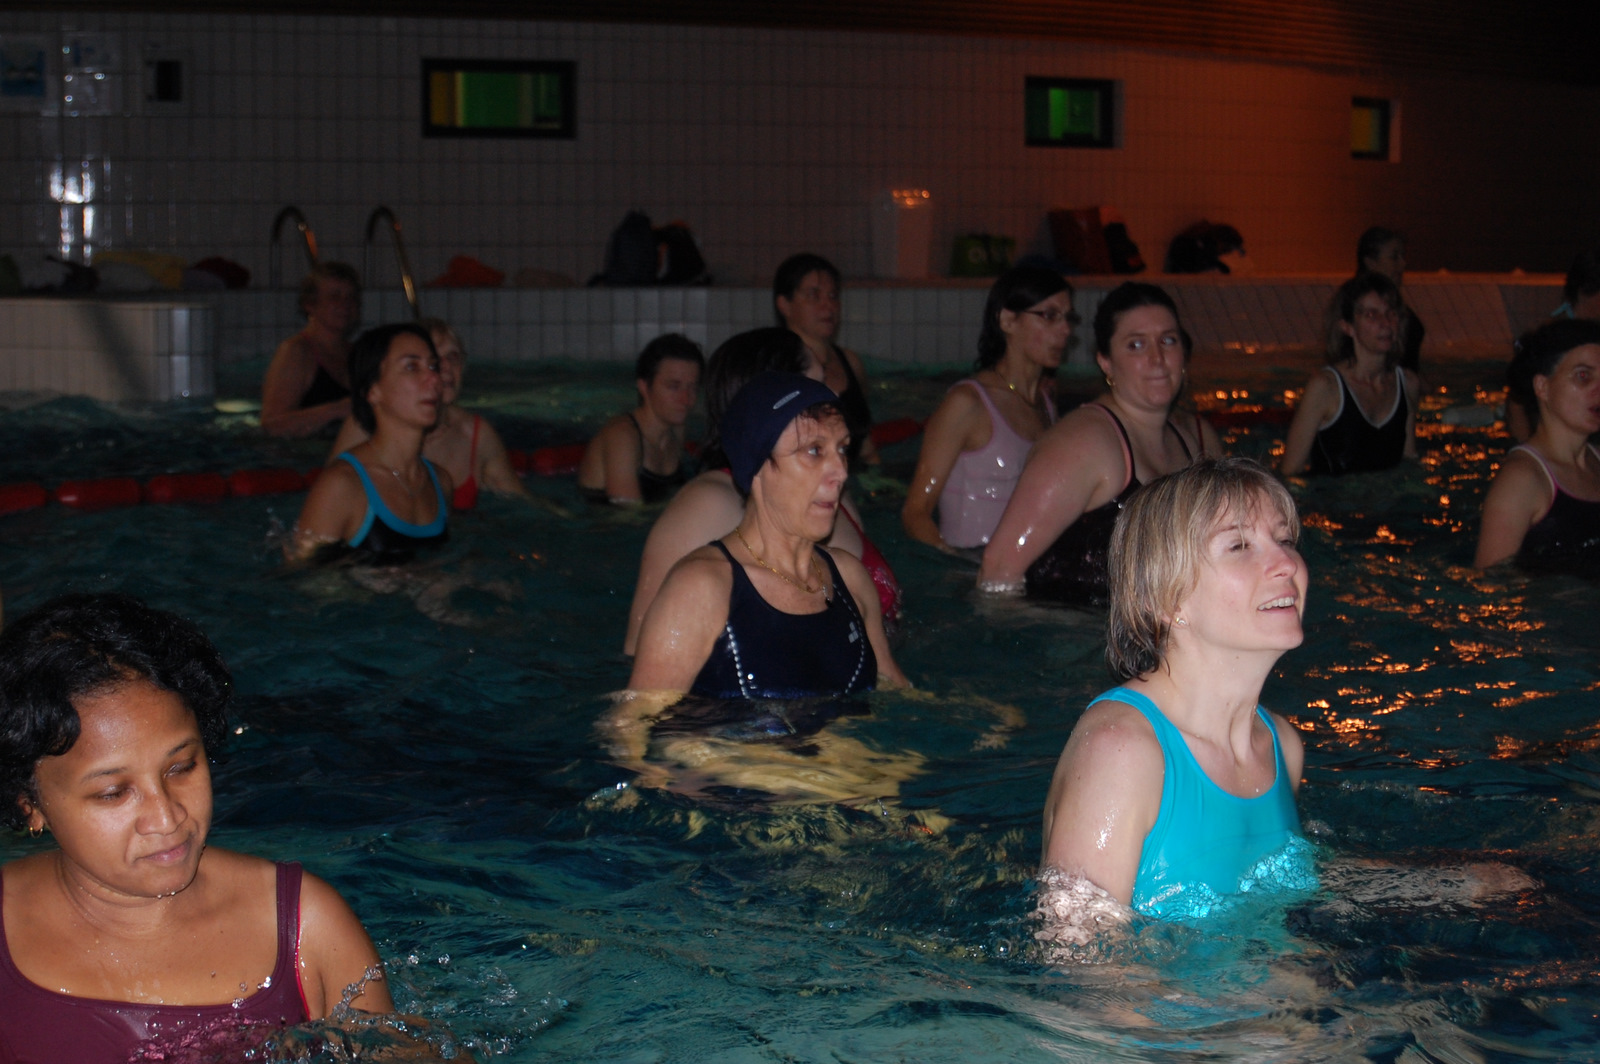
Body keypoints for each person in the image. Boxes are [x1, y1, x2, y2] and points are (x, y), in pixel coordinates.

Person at [0, 593, 393, 1061]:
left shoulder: (307, 927)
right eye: (113, 792)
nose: (167, 817)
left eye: (181, 767)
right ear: (30, 805)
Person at [1039, 458, 1314, 924]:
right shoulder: (1120, 753)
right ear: (1166, 598)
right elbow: (1076, 963)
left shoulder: (1281, 747)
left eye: (1285, 540)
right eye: (1239, 545)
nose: (1287, 564)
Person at [629, 372, 906, 700]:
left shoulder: (850, 579)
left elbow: (894, 693)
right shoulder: (700, 589)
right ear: (757, 465)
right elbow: (634, 724)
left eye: (842, 449)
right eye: (814, 451)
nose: (842, 471)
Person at [978, 281, 1220, 605]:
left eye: (1168, 340)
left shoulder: (1198, 440)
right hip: (1074, 627)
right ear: (1106, 362)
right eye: (1136, 345)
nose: (1157, 358)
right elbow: (998, 569)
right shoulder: (1083, 443)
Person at [901, 266, 1070, 552]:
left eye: (1068, 318)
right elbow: (915, 513)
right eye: (1050, 316)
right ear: (1007, 320)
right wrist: (957, 566)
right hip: (969, 566)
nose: (1065, 330)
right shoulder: (967, 404)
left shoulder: (1046, 406)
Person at [288, 323, 452, 565]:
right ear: (373, 391)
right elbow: (301, 577)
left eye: (433, 366)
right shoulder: (342, 486)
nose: (434, 378)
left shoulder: (440, 482)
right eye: (411, 367)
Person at [327, 318, 528, 511]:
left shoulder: (476, 435)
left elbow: (522, 506)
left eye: (453, 357)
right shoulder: (365, 425)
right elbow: (331, 496)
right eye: (434, 361)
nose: (446, 367)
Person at [1475, 318, 1600, 570]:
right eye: (1583, 377)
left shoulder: (1597, 460)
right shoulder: (1522, 480)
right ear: (1543, 387)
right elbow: (1490, 582)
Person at [1279, 273, 1421, 477]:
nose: (1385, 323)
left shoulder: (1407, 384)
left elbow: (1408, 459)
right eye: (1371, 315)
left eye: (1391, 313)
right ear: (1347, 326)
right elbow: (1290, 471)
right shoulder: (1326, 387)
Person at [773, 253, 878, 466]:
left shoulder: (851, 363)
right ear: (784, 305)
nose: (828, 306)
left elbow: (865, 442)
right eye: (814, 295)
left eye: (833, 296)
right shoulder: (776, 370)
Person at [577, 333, 704, 505]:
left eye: (693, 388)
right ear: (644, 387)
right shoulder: (622, 437)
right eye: (673, 387)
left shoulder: (676, 428)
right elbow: (628, 514)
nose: (686, 399)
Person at [261, 262, 360, 438]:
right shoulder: (296, 352)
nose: (345, 304)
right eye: (335, 296)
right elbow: (272, 426)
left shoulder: (356, 353)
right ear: (310, 304)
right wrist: (337, 409)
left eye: (351, 297)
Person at [1356, 226, 1425, 372]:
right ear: (1371, 262)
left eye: (1402, 256)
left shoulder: (1396, 305)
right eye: (1394, 257)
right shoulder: (1354, 305)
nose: (1403, 263)